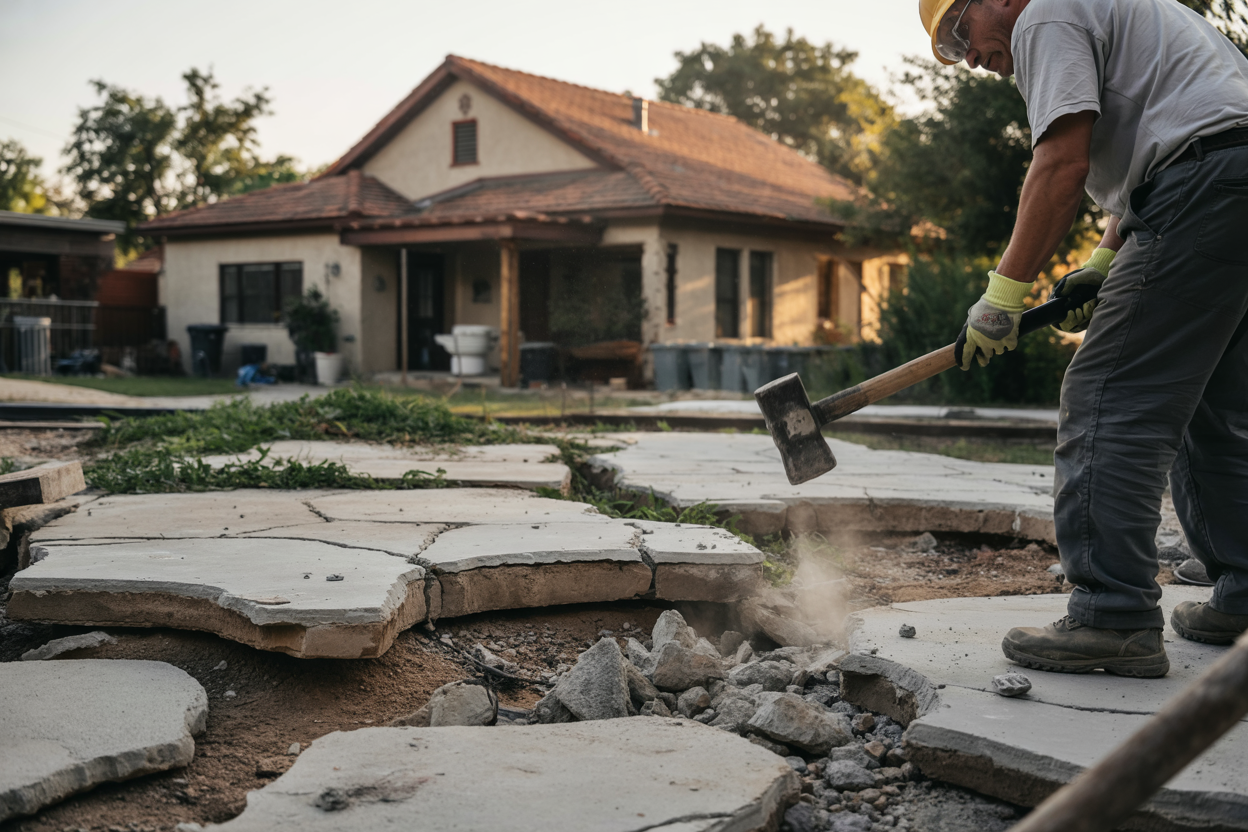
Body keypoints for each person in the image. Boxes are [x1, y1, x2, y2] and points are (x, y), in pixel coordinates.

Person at [918, 0, 1248, 676]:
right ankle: (1244, 595)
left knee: (1109, 398)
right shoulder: (1116, 8)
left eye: (960, 32)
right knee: (1208, 402)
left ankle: (1112, 615)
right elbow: (1178, 136)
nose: (970, 58)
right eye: (954, 51)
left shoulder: (1044, 15)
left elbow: (1061, 164)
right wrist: (1104, 258)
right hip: (1229, 180)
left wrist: (1003, 294)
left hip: (1207, 186)